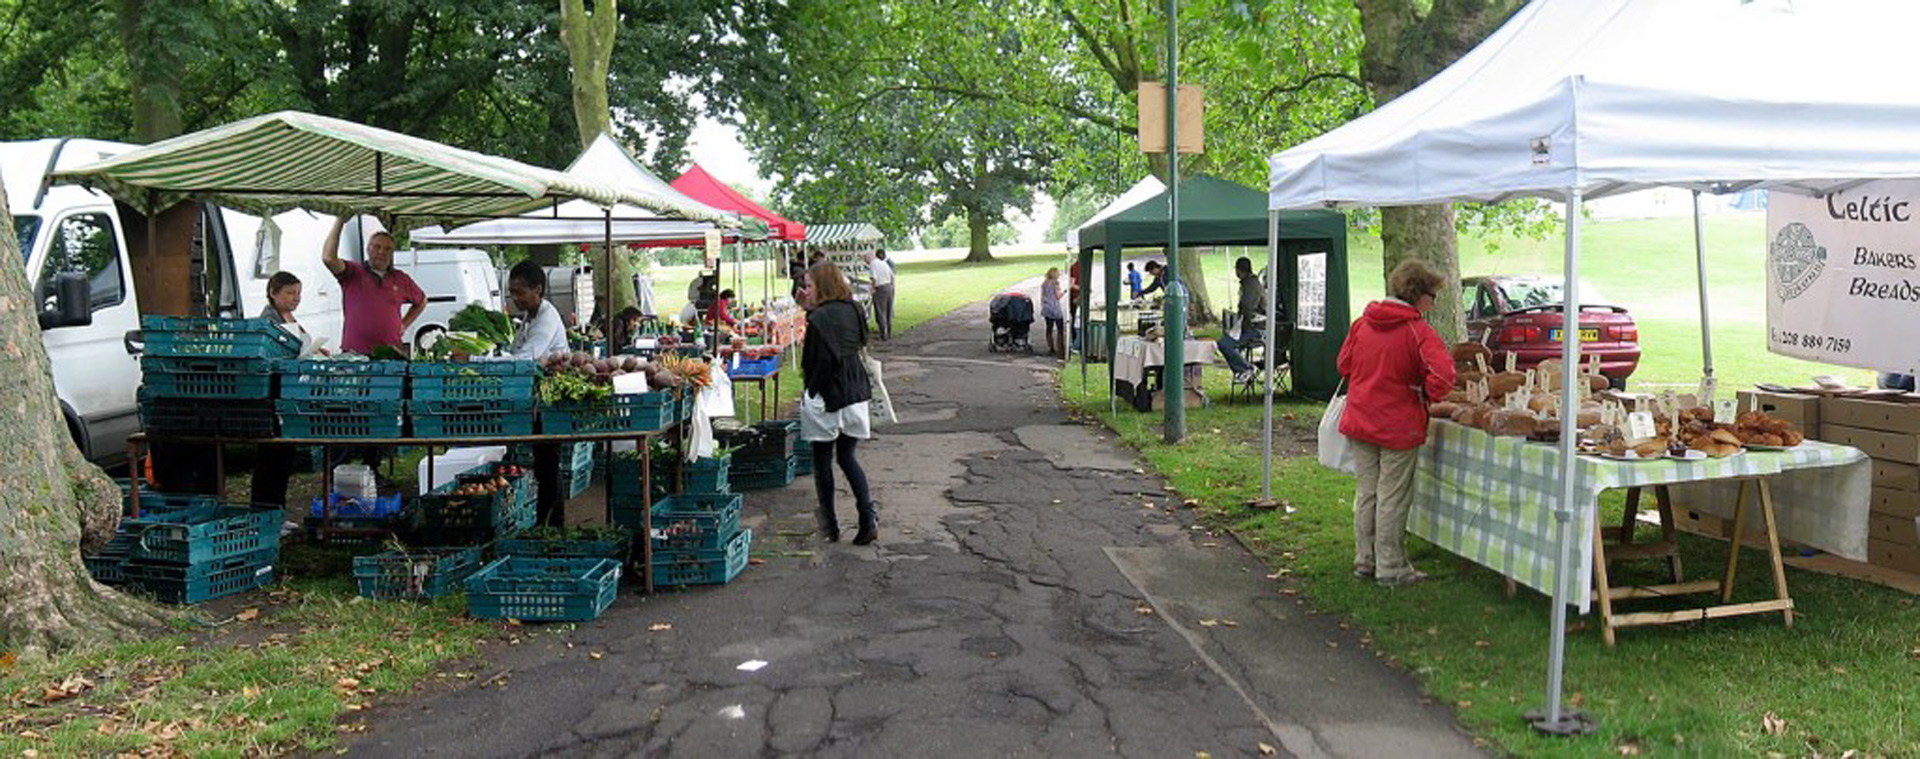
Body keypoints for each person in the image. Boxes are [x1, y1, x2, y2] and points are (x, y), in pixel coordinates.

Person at [1336, 259, 1456, 588]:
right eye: (1433, 295)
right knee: (1392, 496)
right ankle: (1390, 567)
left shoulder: (1362, 324)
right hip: (1398, 425)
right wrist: (1423, 393)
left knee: (1368, 492)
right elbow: (1444, 377)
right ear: (1418, 295)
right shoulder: (1418, 331)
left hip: (1361, 418)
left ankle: (1365, 559)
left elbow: (1343, 364)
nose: (1434, 303)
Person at [800, 262, 878, 545]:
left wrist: (811, 391)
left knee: (822, 461)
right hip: (855, 388)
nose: (804, 290)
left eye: (808, 285)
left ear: (822, 285)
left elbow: (818, 361)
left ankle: (830, 525)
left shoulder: (819, 319)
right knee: (847, 456)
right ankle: (867, 517)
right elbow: (861, 341)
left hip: (829, 392)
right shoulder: (855, 309)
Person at [504, 261, 572, 525]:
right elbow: (516, 351)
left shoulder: (545, 318)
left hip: (550, 400)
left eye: (520, 292)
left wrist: (476, 358)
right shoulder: (529, 316)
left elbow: (525, 360)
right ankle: (549, 522)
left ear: (538, 289)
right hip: (538, 398)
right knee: (545, 463)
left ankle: (551, 523)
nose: (515, 298)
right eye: (512, 292)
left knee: (548, 463)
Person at [250, 272, 316, 509]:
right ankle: (264, 509)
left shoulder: (291, 318)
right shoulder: (268, 321)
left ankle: (278, 508)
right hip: (272, 394)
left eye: (298, 293)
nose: (295, 298)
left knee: (284, 456)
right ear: (273, 293)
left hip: (290, 393)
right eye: (289, 293)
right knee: (271, 456)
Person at [322, 217, 426, 355]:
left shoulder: (400, 278)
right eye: (377, 247)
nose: (381, 252)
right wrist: (340, 220)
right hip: (356, 354)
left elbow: (422, 301)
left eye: (387, 249)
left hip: (390, 353)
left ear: (392, 253)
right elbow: (328, 258)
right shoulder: (353, 272)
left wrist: (403, 325)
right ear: (368, 249)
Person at [1218, 257, 1271, 382]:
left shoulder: (1250, 285)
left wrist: (1240, 329)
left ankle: (1245, 369)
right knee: (1228, 342)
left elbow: (1247, 309)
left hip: (1257, 329)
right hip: (1255, 326)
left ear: (1238, 270)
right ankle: (1243, 369)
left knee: (1224, 344)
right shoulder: (1252, 282)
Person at [868, 248, 896, 340]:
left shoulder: (873, 264)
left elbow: (874, 278)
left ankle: (883, 334)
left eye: (865, 258)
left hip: (880, 289)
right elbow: (892, 276)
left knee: (880, 311)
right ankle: (889, 332)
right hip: (889, 287)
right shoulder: (883, 263)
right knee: (888, 310)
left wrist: (872, 289)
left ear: (870, 257)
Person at [1040, 267, 1066, 358]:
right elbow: (1058, 296)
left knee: (1049, 328)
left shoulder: (1044, 284)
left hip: (1047, 307)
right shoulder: (1055, 283)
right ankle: (1061, 348)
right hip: (1055, 308)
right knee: (1060, 329)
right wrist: (1065, 291)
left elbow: (1043, 296)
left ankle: (1051, 348)